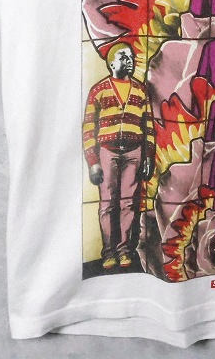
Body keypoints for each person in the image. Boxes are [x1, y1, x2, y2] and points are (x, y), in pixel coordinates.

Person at [82, 42, 155, 271]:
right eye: (124, 57)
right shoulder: (99, 90)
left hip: (134, 152)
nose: (129, 61)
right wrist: (93, 162)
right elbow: (88, 128)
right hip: (107, 152)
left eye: (131, 57)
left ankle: (124, 251)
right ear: (112, 63)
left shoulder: (140, 90)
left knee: (128, 203)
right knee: (107, 204)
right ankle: (108, 253)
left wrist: (148, 155)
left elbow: (149, 126)